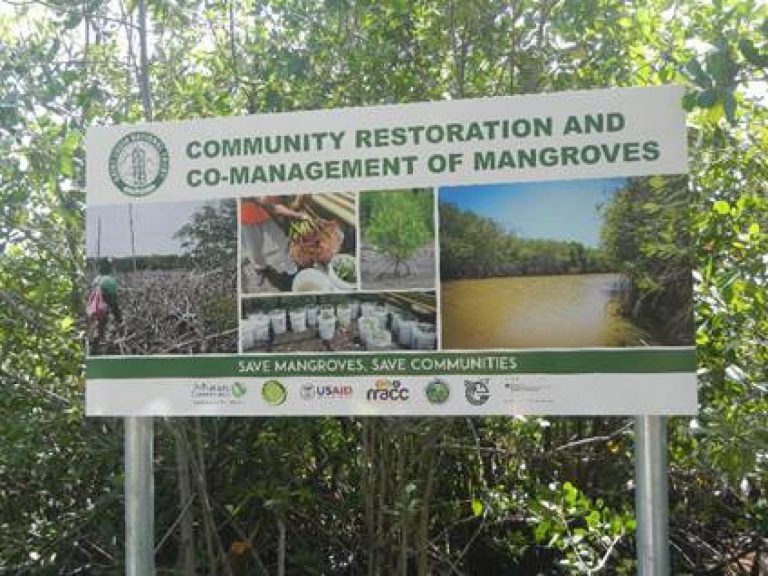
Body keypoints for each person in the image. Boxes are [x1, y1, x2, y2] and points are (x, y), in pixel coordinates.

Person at [240, 196, 307, 289]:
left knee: (284, 243)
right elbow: (273, 207)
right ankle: (261, 268)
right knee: (254, 249)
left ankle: (292, 269)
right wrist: (295, 214)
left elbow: (275, 205)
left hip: (268, 216)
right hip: (246, 219)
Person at [89, 258, 122, 351]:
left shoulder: (96, 280)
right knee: (105, 334)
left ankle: (93, 349)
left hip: (93, 311)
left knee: (95, 332)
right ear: (110, 269)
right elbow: (113, 301)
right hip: (104, 312)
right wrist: (118, 317)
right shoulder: (111, 281)